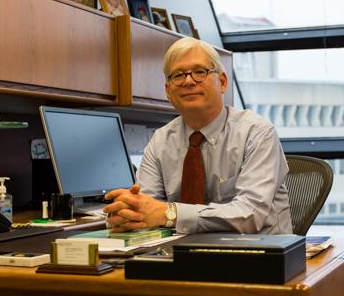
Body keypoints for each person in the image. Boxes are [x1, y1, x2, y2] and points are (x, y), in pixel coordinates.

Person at [104, 37, 293, 235]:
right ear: (168, 91)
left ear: (222, 82)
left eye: (199, 72)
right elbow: (146, 208)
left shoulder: (257, 133)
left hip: (260, 255)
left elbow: (249, 215)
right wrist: (129, 213)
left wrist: (170, 213)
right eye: (177, 75)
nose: (188, 81)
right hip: (183, 255)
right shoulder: (160, 142)